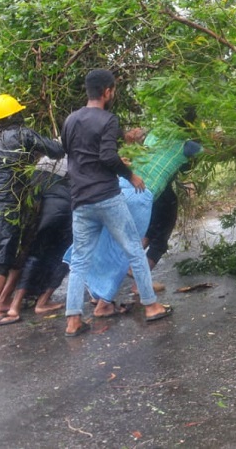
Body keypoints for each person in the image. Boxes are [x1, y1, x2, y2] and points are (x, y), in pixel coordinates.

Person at [60, 69, 171, 337]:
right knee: (134, 249)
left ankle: (73, 321)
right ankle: (151, 306)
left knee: (80, 262)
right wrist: (130, 175)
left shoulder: (71, 120)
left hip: (81, 200)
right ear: (107, 91)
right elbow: (108, 156)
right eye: (114, 89)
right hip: (107, 197)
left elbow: (71, 152)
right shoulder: (107, 120)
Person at [85, 132, 202, 316]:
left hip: (120, 187)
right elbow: (213, 152)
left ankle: (98, 298)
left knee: (113, 245)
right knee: (132, 249)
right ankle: (147, 305)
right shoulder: (187, 145)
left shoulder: (154, 134)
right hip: (141, 192)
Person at [0, 93, 64, 328]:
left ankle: (0, 305)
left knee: (0, 253)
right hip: (6, 204)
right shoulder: (23, 134)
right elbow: (56, 150)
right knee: (1, 257)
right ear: (16, 115)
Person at [4, 156, 72, 318]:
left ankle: (14, 305)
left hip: (40, 210)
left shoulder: (45, 157)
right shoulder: (80, 149)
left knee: (34, 254)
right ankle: (42, 302)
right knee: (65, 256)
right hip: (63, 204)